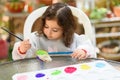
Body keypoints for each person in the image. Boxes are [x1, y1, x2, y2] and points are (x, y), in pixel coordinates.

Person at [12, 3, 96, 60]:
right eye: (46, 26)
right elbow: (21, 59)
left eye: (55, 30)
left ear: (66, 29)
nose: (48, 32)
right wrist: (22, 49)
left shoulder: (74, 39)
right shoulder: (36, 38)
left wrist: (83, 51)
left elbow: (88, 47)